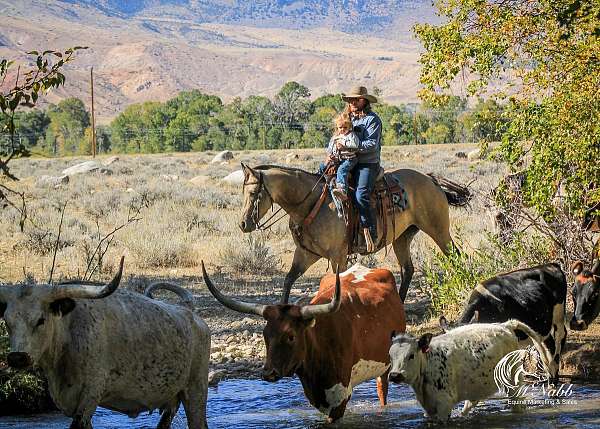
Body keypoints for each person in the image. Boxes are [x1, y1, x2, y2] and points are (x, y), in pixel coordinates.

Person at [341, 86, 382, 252]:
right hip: (348, 160)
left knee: (361, 194)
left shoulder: (372, 120)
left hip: (368, 163)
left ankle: (369, 230)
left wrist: (352, 147)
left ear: (364, 101)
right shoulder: (347, 118)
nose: (352, 102)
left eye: (355, 99)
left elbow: (372, 145)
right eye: (350, 99)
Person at [322, 113, 360, 201]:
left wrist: (344, 145)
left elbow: (355, 144)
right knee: (323, 167)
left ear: (349, 126)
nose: (342, 129)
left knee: (341, 170)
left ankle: (342, 190)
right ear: (337, 127)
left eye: (345, 127)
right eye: (340, 127)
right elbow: (330, 149)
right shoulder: (335, 137)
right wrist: (331, 155)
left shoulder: (351, 135)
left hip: (350, 159)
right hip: (339, 159)